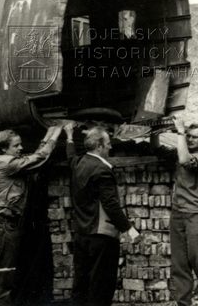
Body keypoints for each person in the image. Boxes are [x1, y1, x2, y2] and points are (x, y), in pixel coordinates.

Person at [0, 123, 65, 306]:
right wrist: (57, 133)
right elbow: (39, 157)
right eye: (16, 145)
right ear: (4, 148)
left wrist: (50, 132)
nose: (20, 148)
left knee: (4, 278)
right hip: (2, 227)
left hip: (1, 226)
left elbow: (33, 156)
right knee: (4, 281)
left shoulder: (7, 161)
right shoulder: (7, 163)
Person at [66, 124, 140, 306]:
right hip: (102, 237)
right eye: (107, 143)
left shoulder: (78, 163)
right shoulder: (102, 170)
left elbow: (70, 156)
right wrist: (129, 229)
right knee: (101, 288)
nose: (110, 146)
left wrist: (68, 136)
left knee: (81, 285)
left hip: (82, 235)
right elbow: (111, 204)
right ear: (99, 146)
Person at [151, 121, 198, 306]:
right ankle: (183, 303)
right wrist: (155, 131)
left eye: (194, 136)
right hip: (179, 213)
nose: (189, 139)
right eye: (188, 136)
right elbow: (157, 148)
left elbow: (185, 161)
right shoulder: (182, 151)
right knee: (179, 264)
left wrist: (180, 132)